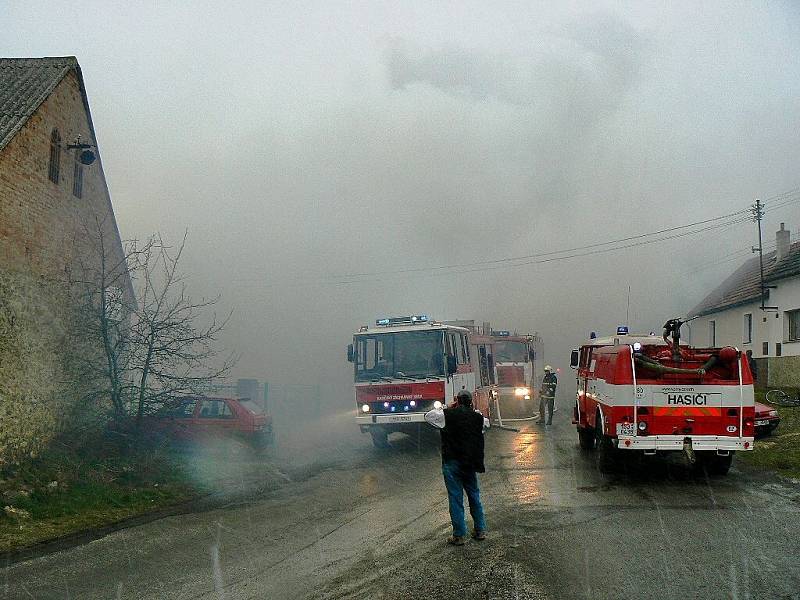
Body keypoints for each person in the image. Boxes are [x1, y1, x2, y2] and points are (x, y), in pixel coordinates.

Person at [424, 389, 489, 546]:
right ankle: (480, 530)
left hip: (452, 461)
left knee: (455, 497)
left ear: (457, 401)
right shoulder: (478, 418)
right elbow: (484, 426)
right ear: (471, 401)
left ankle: (459, 535)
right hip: (469, 463)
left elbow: (428, 417)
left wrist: (446, 407)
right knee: (474, 496)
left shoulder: (447, 415)